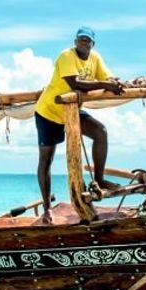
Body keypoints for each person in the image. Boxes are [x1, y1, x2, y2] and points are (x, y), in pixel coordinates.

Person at [34, 26, 125, 224]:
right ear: (75, 42)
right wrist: (106, 85)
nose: (84, 43)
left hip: (72, 112)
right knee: (46, 160)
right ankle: (47, 209)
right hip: (49, 111)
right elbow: (75, 83)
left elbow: (107, 77)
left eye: (88, 41)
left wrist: (114, 82)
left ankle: (99, 179)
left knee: (100, 131)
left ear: (93, 44)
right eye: (81, 40)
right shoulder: (66, 56)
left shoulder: (95, 58)